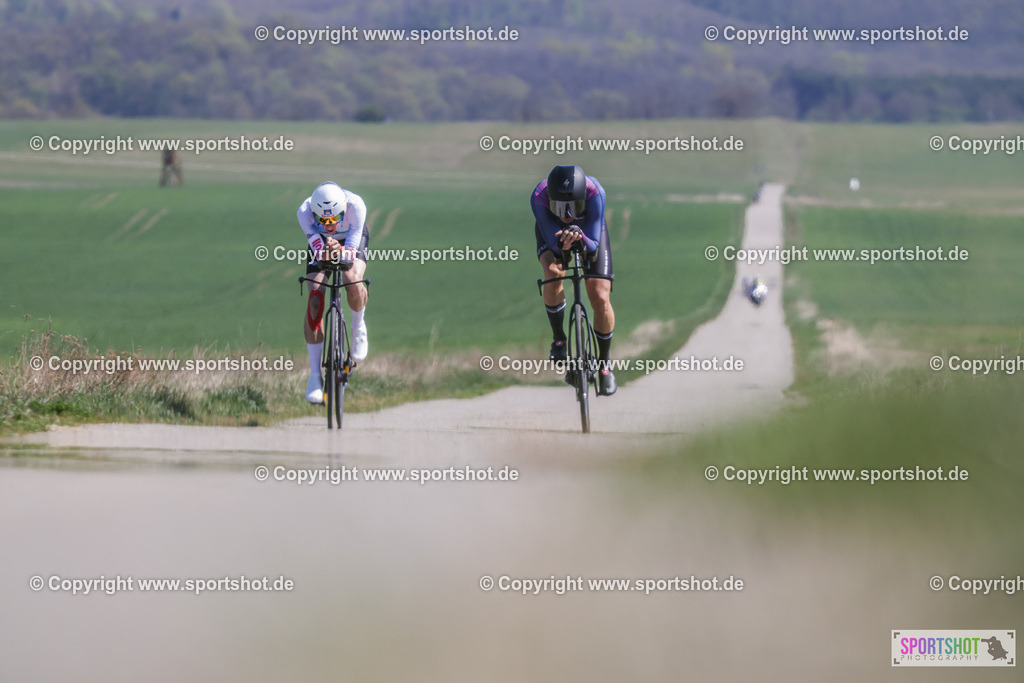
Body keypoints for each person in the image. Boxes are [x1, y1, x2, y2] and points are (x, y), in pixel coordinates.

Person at [532, 164, 617, 396]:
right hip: (553, 232)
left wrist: (581, 239)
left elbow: (593, 247)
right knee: (553, 272)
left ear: (583, 199)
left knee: (600, 295)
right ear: (550, 198)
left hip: (589, 230)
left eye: (572, 207)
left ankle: (604, 364)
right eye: (559, 207)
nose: (566, 214)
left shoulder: (595, 192)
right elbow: (553, 242)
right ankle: (559, 339)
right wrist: (562, 246)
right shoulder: (539, 196)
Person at [297, 182, 370, 404]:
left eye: (333, 219)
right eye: (323, 220)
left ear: (344, 209)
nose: (329, 225)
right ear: (314, 214)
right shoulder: (304, 212)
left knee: (351, 280)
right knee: (315, 301)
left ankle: (358, 326)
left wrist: (342, 252)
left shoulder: (356, 206)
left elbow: (349, 256)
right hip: (321, 244)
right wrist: (327, 251)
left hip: (351, 238)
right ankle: (315, 377)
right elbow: (319, 253)